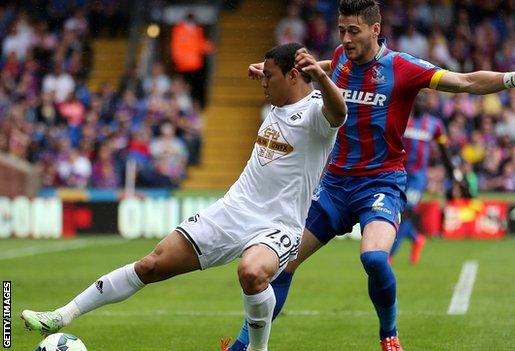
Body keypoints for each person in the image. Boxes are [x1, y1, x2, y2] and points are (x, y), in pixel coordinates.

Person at [232, 1, 515, 350]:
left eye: (353, 31)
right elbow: (321, 66)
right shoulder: (339, 58)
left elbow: (464, 81)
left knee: (374, 257)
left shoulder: (402, 67)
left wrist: (512, 79)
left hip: (380, 183)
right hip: (335, 184)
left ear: (375, 30)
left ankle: (389, 333)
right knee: (282, 265)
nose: (346, 38)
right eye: (341, 30)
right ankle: (243, 344)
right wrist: (274, 69)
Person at [20, 42, 347, 351]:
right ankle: (61, 315)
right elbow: (305, 71)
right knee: (151, 265)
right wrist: (272, 69)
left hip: (279, 223)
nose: (263, 83)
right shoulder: (281, 97)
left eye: (269, 77)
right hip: (233, 210)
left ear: (292, 76)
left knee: (252, 272)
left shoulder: (318, 113)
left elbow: (339, 112)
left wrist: (317, 74)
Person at [389, 93, 457, 265]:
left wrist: (454, 174)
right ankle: (416, 238)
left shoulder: (435, 125)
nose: (419, 103)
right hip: (398, 174)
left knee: (406, 213)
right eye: (417, 99)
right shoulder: (403, 118)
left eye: (423, 101)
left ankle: (389, 255)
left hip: (418, 178)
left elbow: (444, 151)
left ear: (428, 104)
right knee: (396, 213)